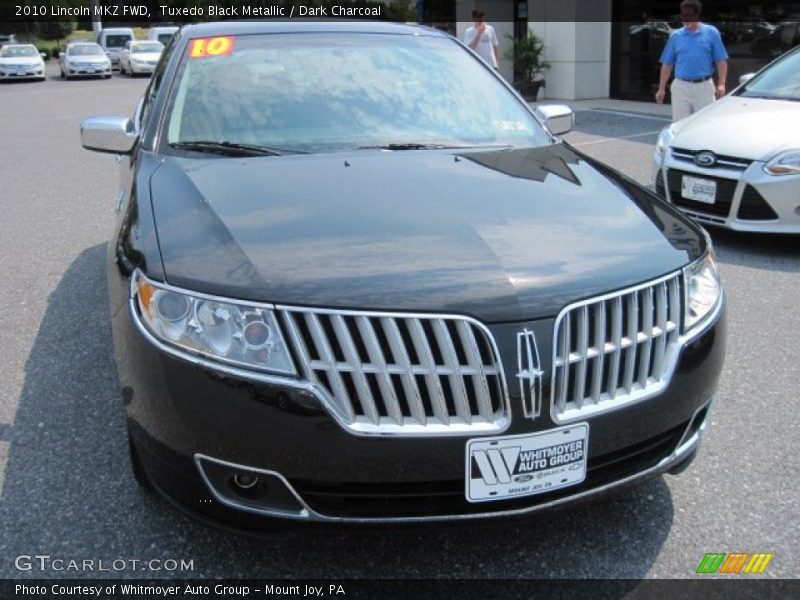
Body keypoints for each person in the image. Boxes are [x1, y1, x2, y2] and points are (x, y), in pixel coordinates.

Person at [655, 0, 728, 121]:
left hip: (704, 87)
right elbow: (667, 64)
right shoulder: (675, 36)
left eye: (689, 15)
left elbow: (721, 61)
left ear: (697, 15)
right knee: (679, 125)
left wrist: (721, 83)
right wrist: (661, 88)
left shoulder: (711, 33)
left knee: (704, 124)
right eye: (683, 15)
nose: (685, 18)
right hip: (681, 87)